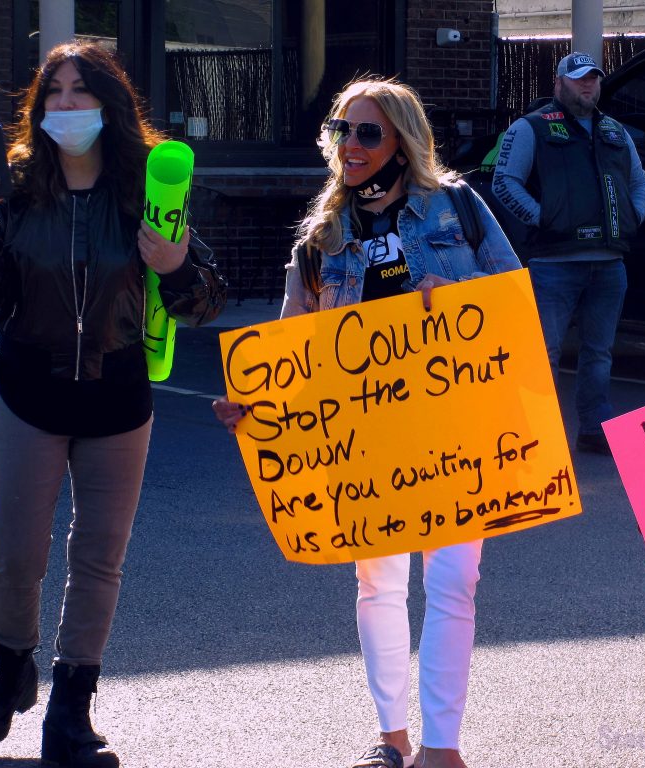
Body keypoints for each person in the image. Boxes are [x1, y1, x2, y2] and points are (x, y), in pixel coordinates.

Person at [213, 77, 521, 768]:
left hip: (454, 425)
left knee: (452, 584)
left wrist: (457, 293)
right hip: (365, 438)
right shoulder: (321, 238)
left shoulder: (457, 207)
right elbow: (291, 351)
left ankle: (442, 746)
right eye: (341, 131)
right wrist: (252, 404)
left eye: (367, 132)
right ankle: (392, 739)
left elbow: (513, 297)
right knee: (378, 585)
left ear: (402, 142)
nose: (350, 145)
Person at [0, 40, 226, 767]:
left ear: (111, 104)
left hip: (117, 396)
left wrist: (177, 267)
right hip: (26, 391)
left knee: (99, 559)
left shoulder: (146, 188)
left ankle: (71, 711)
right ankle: (11, 671)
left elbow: (203, 303)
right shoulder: (12, 187)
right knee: (16, 555)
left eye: (81, 91)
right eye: (54, 93)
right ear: (38, 107)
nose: (67, 105)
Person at [491, 51, 645, 455]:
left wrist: (632, 218)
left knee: (599, 354)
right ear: (559, 83)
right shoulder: (530, 127)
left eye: (593, 78)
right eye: (579, 79)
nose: (588, 85)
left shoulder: (615, 130)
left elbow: (639, 182)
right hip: (553, 263)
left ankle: (594, 429)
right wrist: (543, 219)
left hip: (609, 264)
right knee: (543, 353)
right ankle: (536, 434)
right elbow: (504, 182)